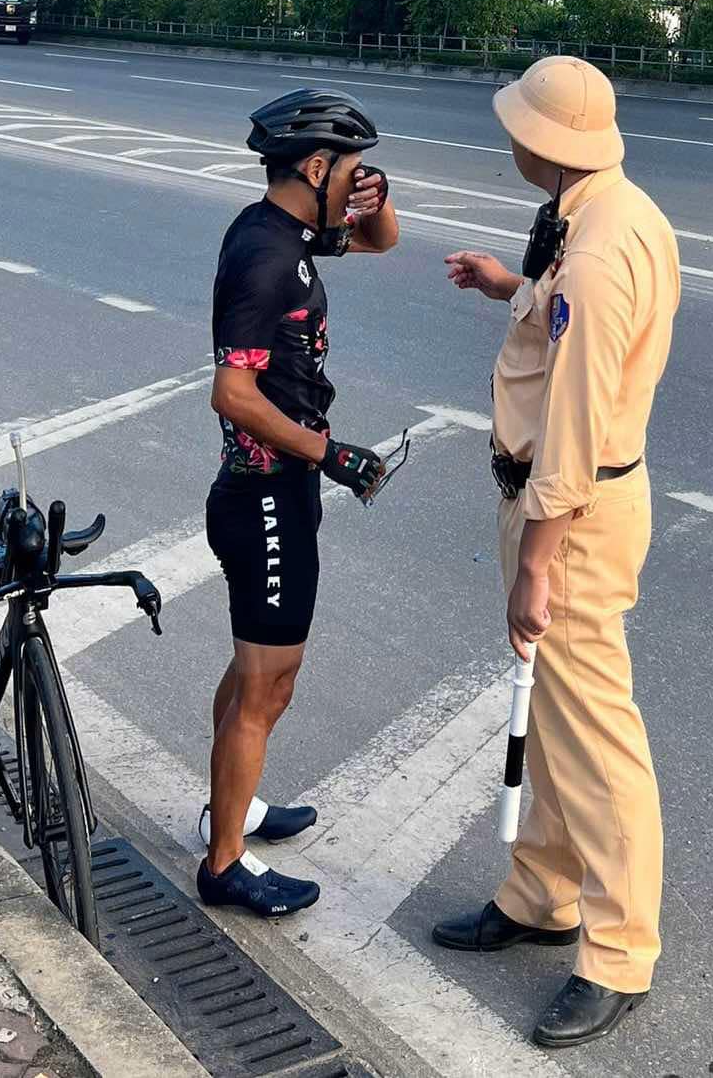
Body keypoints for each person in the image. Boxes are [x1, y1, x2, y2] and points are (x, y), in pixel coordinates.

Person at [436, 56, 680, 1048]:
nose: (507, 137)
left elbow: (576, 425)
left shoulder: (594, 253)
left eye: (516, 125)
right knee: (549, 719)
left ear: (544, 142)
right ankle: (540, 893)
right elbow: (574, 340)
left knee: (594, 741)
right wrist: (510, 288)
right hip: (558, 502)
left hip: (567, 517)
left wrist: (535, 564)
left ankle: (619, 953)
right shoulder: (600, 216)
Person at [198, 87, 400, 918]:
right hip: (264, 497)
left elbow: (380, 242)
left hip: (277, 491)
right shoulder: (264, 255)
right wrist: (335, 454)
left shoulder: (289, 229)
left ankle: (232, 810)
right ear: (314, 167)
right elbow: (232, 392)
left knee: (253, 673)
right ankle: (223, 863)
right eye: (348, 168)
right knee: (268, 685)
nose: (355, 180)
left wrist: (376, 204)